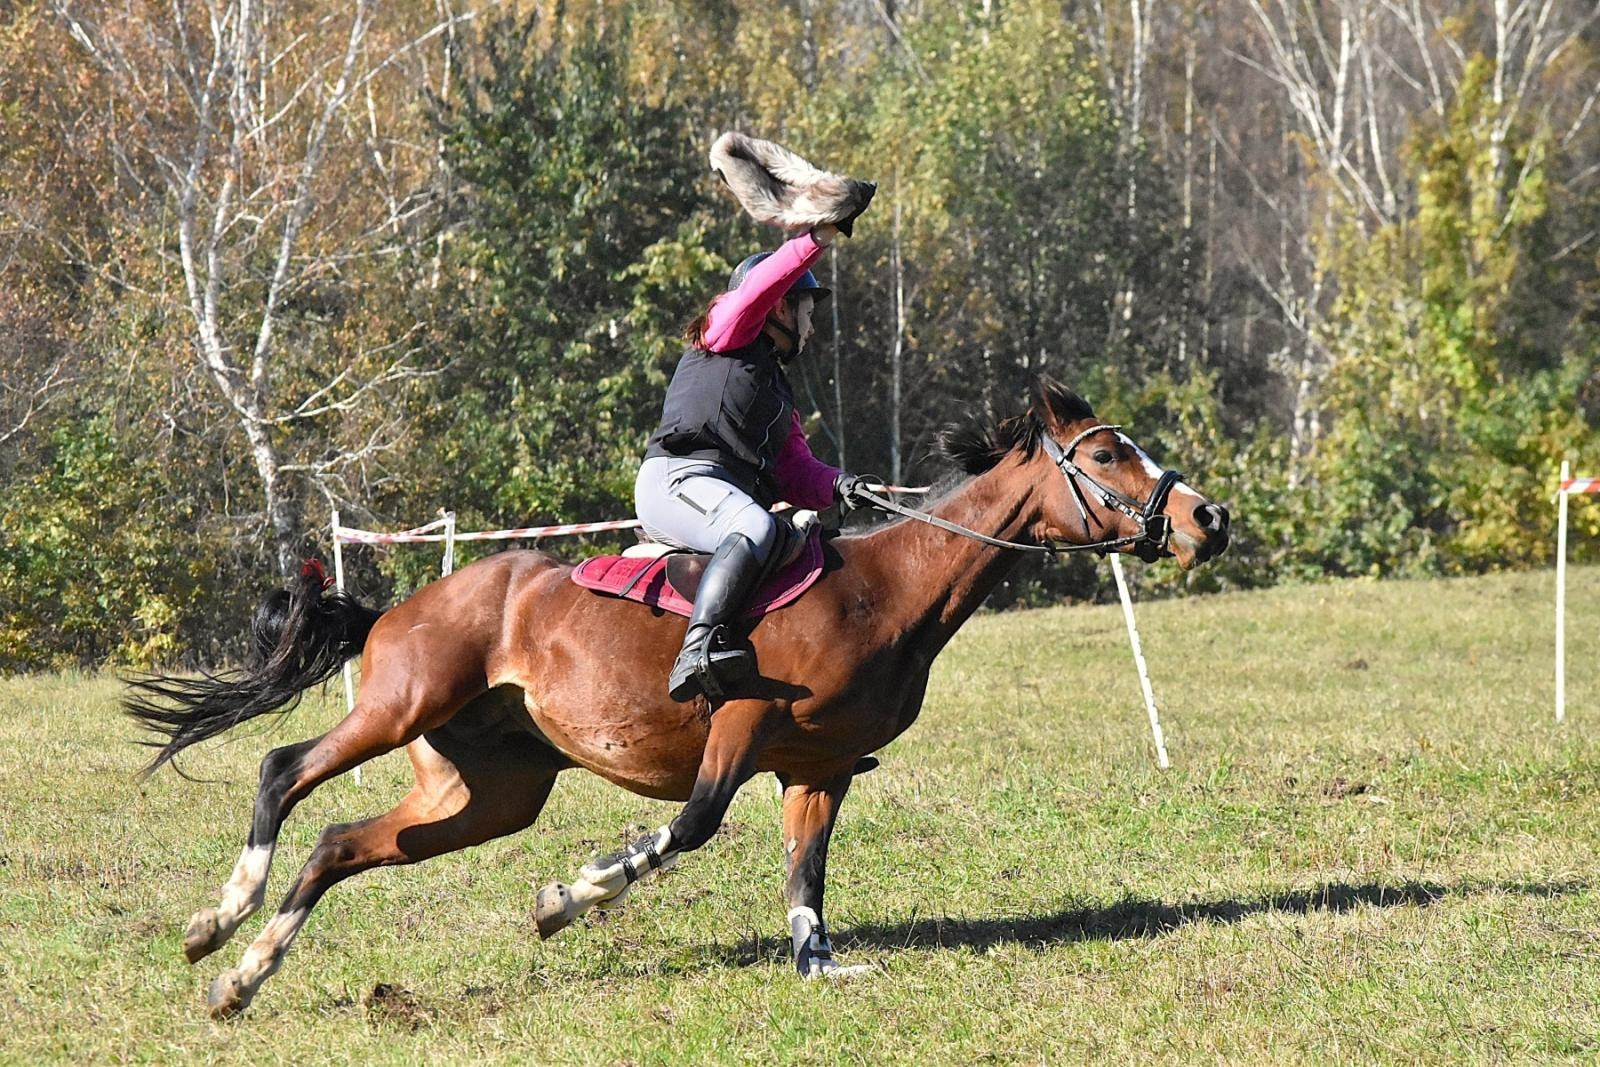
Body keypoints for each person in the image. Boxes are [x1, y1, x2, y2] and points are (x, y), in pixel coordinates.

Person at [636, 221, 872, 703]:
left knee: (797, 538)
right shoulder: (727, 332)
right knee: (758, 528)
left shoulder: (779, 394)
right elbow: (753, 294)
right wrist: (815, 239)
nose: (812, 327)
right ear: (781, 304)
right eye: (807, 311)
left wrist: (841, 485)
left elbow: (796, 471)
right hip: (677, 480)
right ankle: (696, 650)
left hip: (718, 496)